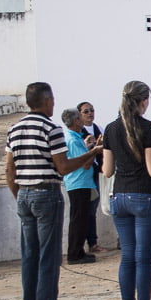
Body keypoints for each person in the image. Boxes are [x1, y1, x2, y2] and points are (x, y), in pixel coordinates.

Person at [6, 82, 102, 300]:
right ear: (47, 101)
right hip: (46, 193)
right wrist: (92, 153)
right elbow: (63, 166)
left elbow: (10, 169)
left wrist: (20, 196)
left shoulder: (14, 129)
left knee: (30, 255)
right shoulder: (51, 129)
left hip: (25, 193)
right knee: (48, 256)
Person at [103, 80, 151, 300]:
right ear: (144, 101)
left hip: (119, 197)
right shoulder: (148, 128)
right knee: (144, 258)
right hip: (144, 195)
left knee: (128, 257)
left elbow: (108, 170)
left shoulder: (110, 129)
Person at [61, 108, 97, 265]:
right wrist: (95, 150)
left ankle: (78, 251)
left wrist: (89, 149)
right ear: (76, 120)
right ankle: (75, 253)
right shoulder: (73, 139)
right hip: (78, 183)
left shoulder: (74, 138)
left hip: (79, 183)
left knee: (81, 218)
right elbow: (85, 164)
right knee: (78, 219)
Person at [76, 101, 105, 254]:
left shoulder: (98, 129)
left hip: (95, 172)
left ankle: (93, 242)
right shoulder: (77, 132)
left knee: (93, 207)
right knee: (83, 210)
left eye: (92, 110)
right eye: (86, 111)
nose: (90, 114)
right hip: (82, 175)